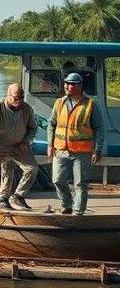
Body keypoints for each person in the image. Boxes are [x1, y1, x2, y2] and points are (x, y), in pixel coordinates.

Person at [48, 72, 104, 215]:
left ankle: (78, 212)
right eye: (66, 83)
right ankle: (67, 205)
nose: (67, 86)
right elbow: (51, 124)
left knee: (80, 184)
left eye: (71, 84)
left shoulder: (91, 104)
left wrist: (97, 150)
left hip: (82, 152)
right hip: (60, 150)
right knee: (57, 180)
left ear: (79, 86)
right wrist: (50, 144)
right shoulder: (59, 103)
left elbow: (99, 128)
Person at [0, 83, 38, 210]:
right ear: (8, 96)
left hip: (19, 146)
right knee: (6, 170)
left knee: (32, 169)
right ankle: (3, 198)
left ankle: (18, 196)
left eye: (21, 97)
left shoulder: (27, 109)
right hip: (0, 146)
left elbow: (32, 128)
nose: (19, 100)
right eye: (16, 98)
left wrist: (26, 141)